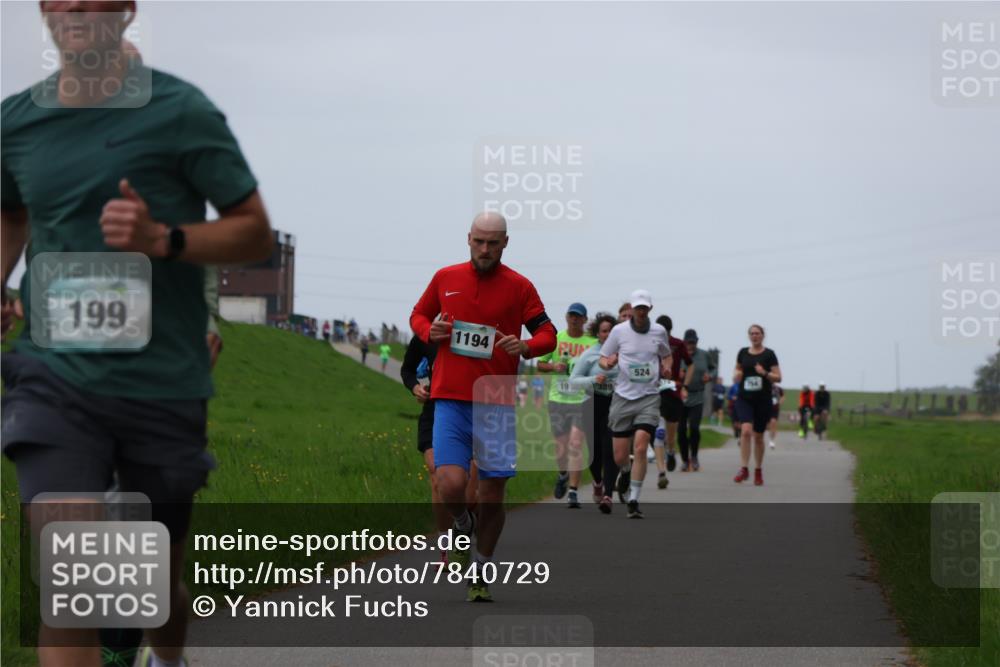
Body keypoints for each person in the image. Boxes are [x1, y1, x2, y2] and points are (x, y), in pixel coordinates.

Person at [1, 5, 274, 667]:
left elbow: (254, 230)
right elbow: (11, 214)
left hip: (160, 380)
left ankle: (168, 656)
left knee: (151, 582)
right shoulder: (16, 121)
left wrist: (165, 239)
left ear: (125, 9)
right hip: (54, 378)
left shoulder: (181, 111)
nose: (73, 8)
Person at [409, 212, 557, 601]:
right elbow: (418, 315)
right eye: (479, 242)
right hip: (451, 399)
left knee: (492, 494)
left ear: (505, 243)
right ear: (468, 239)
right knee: (450, 483)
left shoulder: (520, 286)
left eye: (493, 243)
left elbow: (548, 334)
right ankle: (461, 524)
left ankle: (480, 570)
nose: (485, 250)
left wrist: (527, 345)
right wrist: (430, 331)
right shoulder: (446, 278)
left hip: (496, 403)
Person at [400, 334, 478, 557]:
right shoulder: (429, 335)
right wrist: (416, 388)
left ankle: (466, 524)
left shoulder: (478, 332)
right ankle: (445, 548)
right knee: (437, 477)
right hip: (437, 412)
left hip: (475, 411)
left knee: (469, 492)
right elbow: (407, 370)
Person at [599, 290, 672, 519]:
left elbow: (666, 354)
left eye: (644, 308)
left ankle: (634, 499)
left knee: (641, 446)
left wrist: (667, 366)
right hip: (623, 396)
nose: (640, 311)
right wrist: (608, 362)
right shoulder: (619, 331)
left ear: (650, 309)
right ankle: (626, 472)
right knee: (620, 455)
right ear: (632, 309)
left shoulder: (658, 332)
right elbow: (603, 357)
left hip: (649, 397)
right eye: (637, 307)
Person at [536, 303, 596, 508]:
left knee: (575, 445)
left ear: (585, 320)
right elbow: (539, 365)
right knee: (561, 448)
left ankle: (573, 492)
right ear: (566, 317)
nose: (574, 319)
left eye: (578, 317)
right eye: (571, 316)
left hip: (582, 400)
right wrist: (553, 366)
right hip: (558, 399)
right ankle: (562, 474)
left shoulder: (592, 342)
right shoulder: (557, 339)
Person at [569, 312, 620, 514]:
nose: (607, 334)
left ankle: (608, 494)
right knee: (594, 452)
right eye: (604, 331)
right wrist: (592, 380)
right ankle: (598, 482)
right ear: (597, 334)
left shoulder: (623, 354)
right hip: (591, 403)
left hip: (615, 404)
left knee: (610, 449)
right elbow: (573, 380)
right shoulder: (590, 354)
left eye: (611, 331)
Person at [732, 325, 782, 486]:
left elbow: (778, 377)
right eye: (752, 334)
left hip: (763, 400)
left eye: (757, 333)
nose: (755, 336)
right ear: (749, 336)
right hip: (744, 398)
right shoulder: (743, 353)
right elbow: (736, 371)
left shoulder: (769, 354)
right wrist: (737, 375)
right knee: (746, 431)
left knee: (759, 437)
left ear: (763, 336)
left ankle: (758, 470)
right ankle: (744, 468)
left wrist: (765, 373)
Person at [652, 315, 693, 488]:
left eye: (666, 333)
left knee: (670, 434)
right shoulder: (650, 342)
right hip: (654, 391)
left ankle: (670, 451)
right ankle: (662, 472)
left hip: (674, 392)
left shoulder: (678, 343)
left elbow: (690, 364)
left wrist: (685, 385)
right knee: (659, 433)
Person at [678, 329, 714, 472]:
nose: (690, 345)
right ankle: (685, 460)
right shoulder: (679, 355)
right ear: (684, 342)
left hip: (698, 395)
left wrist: (709, 376)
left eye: (693, 342)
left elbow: (713, 369)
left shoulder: (704, 355)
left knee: (694, 428)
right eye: (688, 342)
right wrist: (677, 374)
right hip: (681, 396)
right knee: (681, 430)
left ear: (697, 342)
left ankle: (694, 457)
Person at [768, 383, 785, 449]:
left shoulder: (778, 388)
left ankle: (772, 441)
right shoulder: (764, 387)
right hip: (765, 408)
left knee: (773, 422)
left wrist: (780, 402)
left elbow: (783, 396)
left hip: (774, 408)